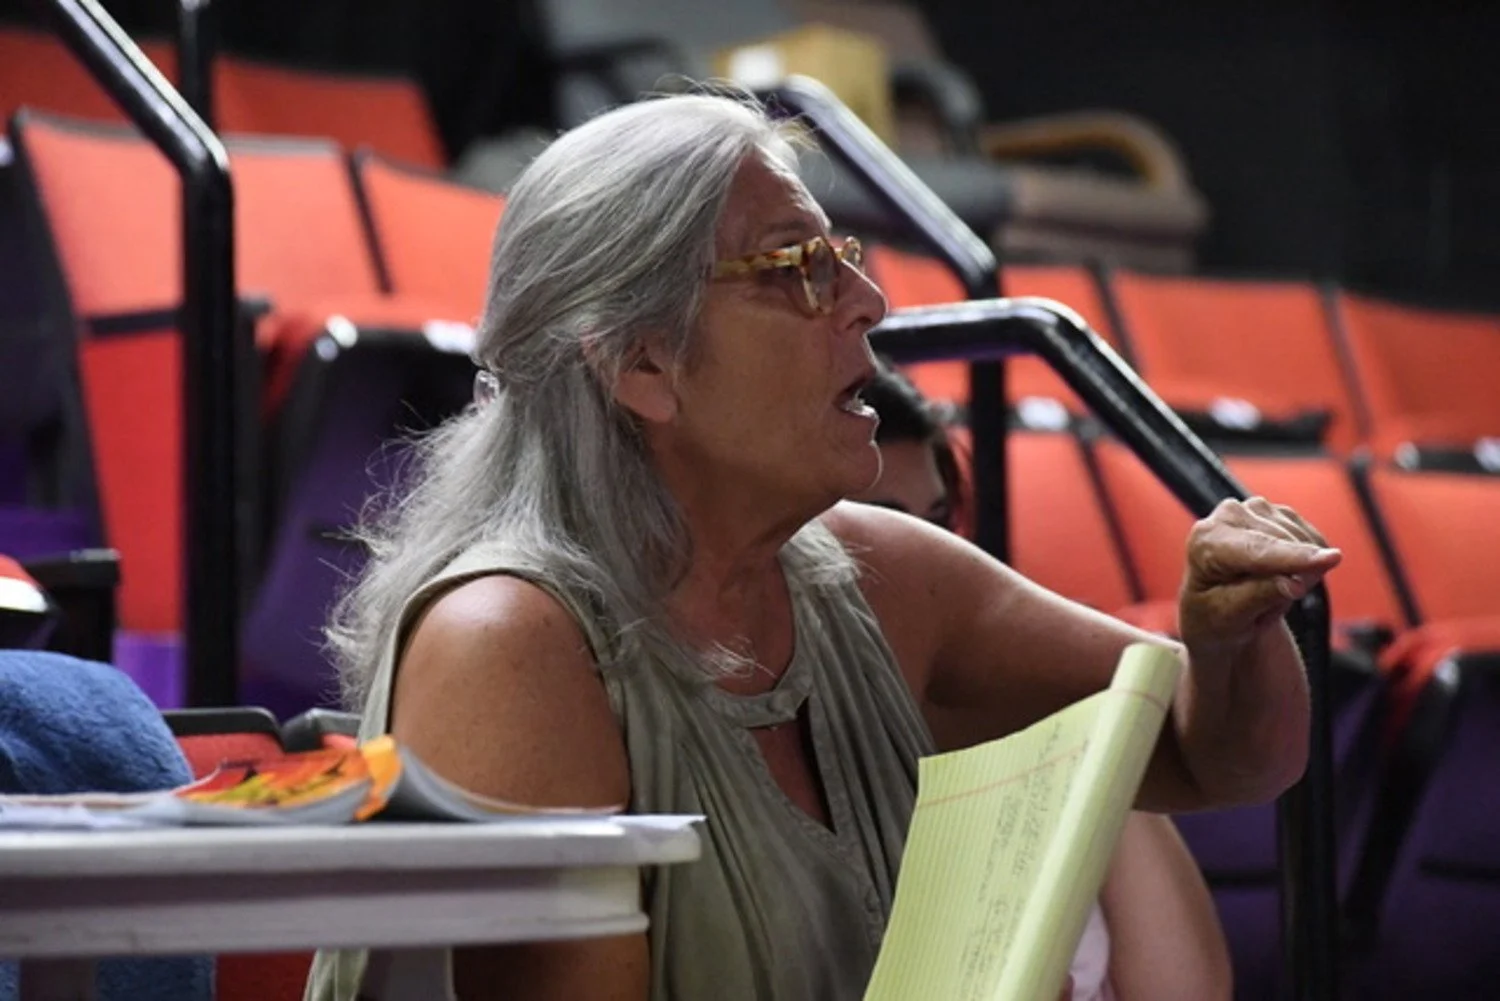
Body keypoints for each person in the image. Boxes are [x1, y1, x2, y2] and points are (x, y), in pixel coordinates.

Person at [305, 91, 1340, 1001]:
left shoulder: (886, 577)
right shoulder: (509, 640)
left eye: (842, 256)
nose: (871, 304)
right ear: (644, 364)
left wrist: (1230, 639)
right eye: (798, 268)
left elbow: (1220, 755)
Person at [850, 360, 1233, 1001]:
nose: (924, 559)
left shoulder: (1023, 710)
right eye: (881, 527)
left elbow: (1187, 993)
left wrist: (1095, 724)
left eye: (938, 525)